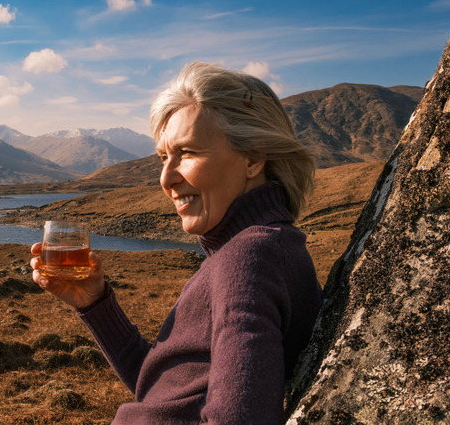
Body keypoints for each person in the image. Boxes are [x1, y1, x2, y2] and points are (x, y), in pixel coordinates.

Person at [30, 61, 323, 424]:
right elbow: (165, 393)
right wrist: (94, 303)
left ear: (253, 157)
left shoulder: (249, 258)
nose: (167, 178)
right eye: (163, 157)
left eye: (187, 152)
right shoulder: (259, 250)